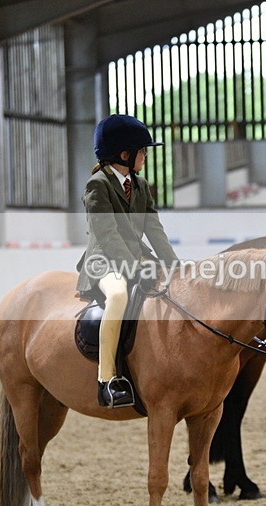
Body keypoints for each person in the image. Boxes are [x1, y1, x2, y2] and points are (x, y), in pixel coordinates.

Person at [76, 114, 180, 407]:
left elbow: (154, 228)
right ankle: (107, 379)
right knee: (119, 296)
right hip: (104, 261)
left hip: (138, 257)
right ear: (124, 154)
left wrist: (175, 265)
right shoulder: (97, 185)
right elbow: (107, 234)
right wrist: (135, 267)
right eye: (142, 151)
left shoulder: (140, 184)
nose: (145, 156)